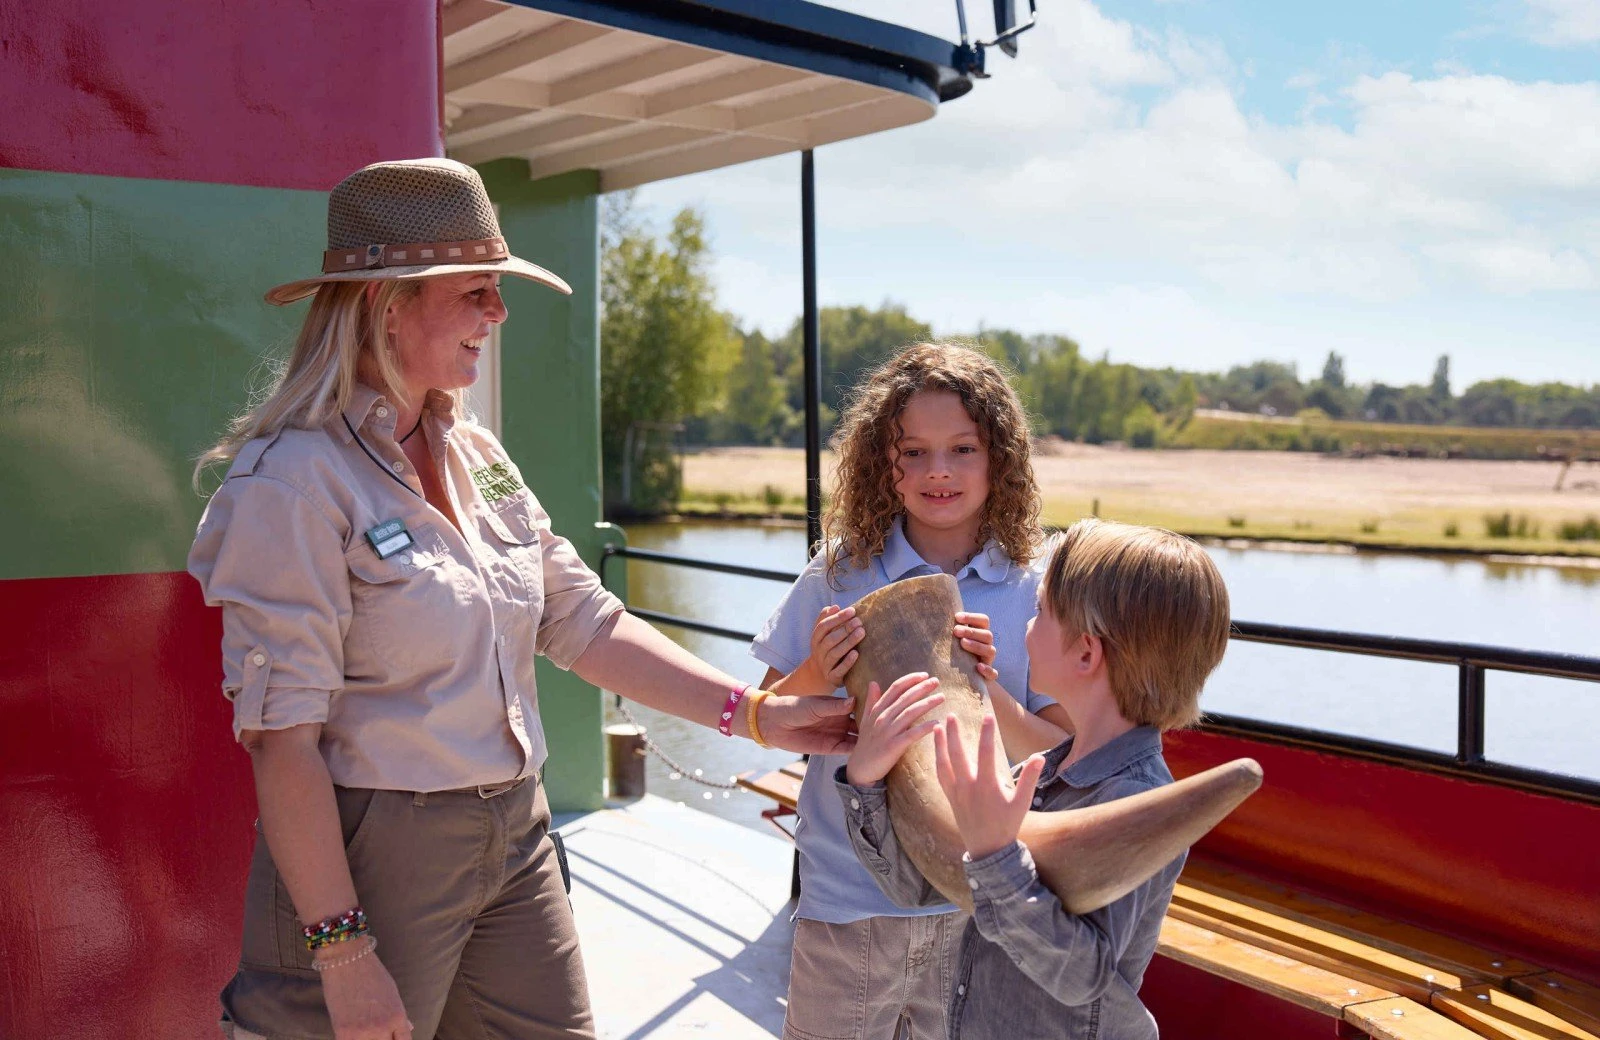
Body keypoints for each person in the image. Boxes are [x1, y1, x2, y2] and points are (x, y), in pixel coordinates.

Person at [187, 157, 854, 1040]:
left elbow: (582, 619)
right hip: (372, 850)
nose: (497, 313)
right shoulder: (295, 483)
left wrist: (757, 713)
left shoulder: (479, 457)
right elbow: (283, 743)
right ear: (391, 304)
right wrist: (343, 953)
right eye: (476, 291)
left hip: (516, 830)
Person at [751, 343, 1069, 1040]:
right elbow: (768, 712)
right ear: (881, 462)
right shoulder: (839, 573)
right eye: (914, 452)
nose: (939, 472)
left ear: (1000, 458)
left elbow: (1061, 754)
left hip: (980, 913)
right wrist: (816, 674)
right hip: (847, 902)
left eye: (962, 448)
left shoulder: (1034, 590)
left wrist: (991, 693)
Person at [837, 518, 1232, 1040]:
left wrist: (997, 855)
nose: (1025, 624)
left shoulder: (1135, 800)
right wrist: (865, 780)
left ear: (1087, 654)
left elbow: (1080, 977)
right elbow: (919, 889)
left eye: (1041, 611)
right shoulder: (1033, 774)